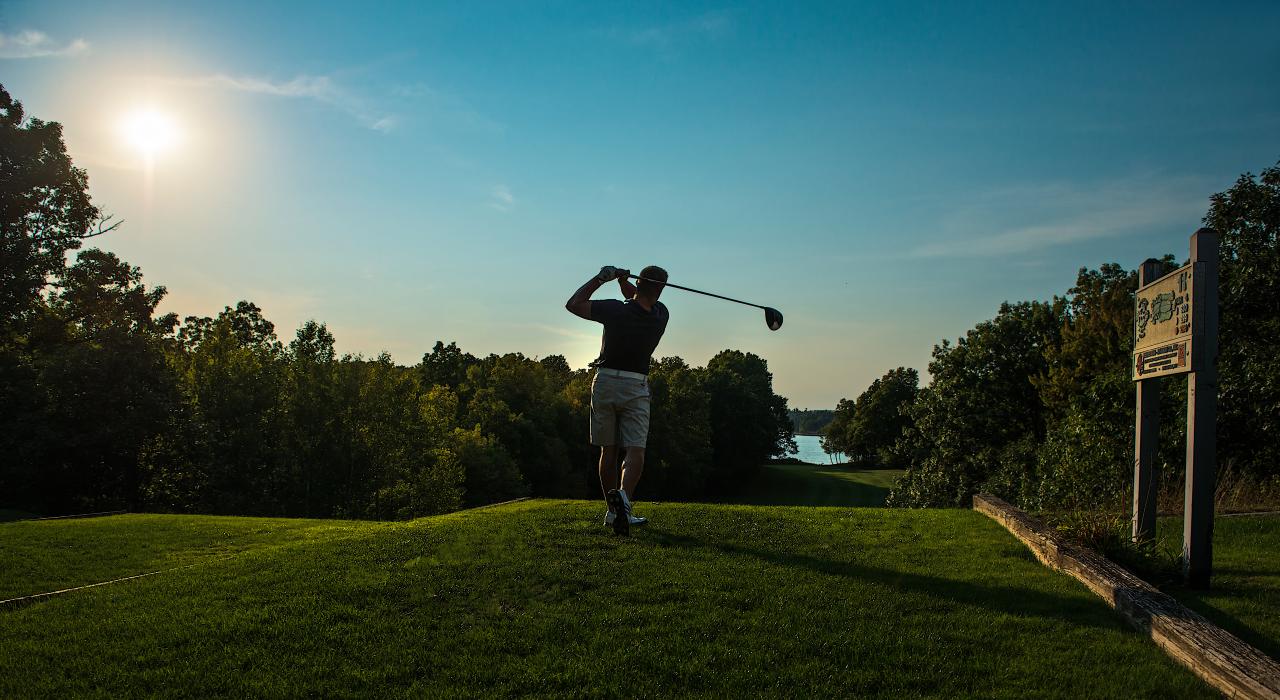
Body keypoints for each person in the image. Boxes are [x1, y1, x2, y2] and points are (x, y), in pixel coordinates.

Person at [565, 264, 669, 535]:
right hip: (636, 385)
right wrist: (625, 282)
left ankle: (613, 512)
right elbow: (641, 297)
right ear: (661, 289)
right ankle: (624, 502)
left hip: (606, 381)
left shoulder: (615, 309)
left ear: (639, 282)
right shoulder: (661, 314)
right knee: (635, 449)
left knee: (607, 450)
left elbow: (573, 304)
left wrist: (601, 279)